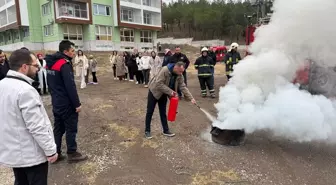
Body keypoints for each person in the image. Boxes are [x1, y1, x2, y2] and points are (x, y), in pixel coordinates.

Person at [0, 49, 58, 185]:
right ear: (24, 67)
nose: (38, 69)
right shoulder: (25, 91)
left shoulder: (2, 85)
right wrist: (50, 151)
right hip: (31, 155)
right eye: (35, 66)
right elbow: (37, 126)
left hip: (14, 152)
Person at [45, 40, 87, 163]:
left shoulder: (50, 63)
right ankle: (72, 153)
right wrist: (77, 104)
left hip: (56, 102)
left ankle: (56, 152)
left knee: (58, 128)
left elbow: (50, 83)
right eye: (72, 51)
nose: (74, 53)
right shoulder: (64, 64)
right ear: (65, 52)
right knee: (71, 128)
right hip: (66, 103)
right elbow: (70, 86)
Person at [145, 61, 197, 139]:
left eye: (182, 72)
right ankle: (147, 131)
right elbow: (159, 84)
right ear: (176, 67)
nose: (181, 73)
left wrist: (191, 98)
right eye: (180, 71)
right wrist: (171, 92)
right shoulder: (165, 70)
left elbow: (183, 86)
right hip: (154, 91)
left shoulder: (180, 75)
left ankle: (165, 130)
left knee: (163, 112)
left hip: (164, 93)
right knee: (150, 111)